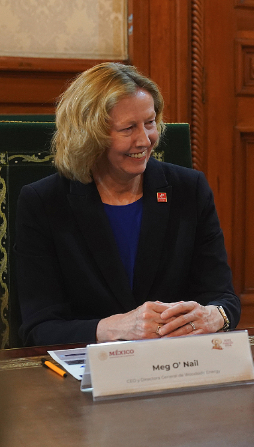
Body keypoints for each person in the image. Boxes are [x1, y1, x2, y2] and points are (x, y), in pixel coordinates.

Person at [15, 62, 240, 346]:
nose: (145, 140)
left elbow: (224, 298)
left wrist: (214, 316)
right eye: (128, 128)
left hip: (177, 363)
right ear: (90, 134)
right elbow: (38, 328)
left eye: (149, 123)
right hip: (85, 374)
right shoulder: (43, 202)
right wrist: (114, 328)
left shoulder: (189, 189)